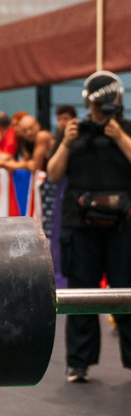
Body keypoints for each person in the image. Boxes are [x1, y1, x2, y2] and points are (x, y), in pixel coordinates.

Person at [47, 71, 131, 384]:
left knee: (126, 290)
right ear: (88, 104)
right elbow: (53, 173)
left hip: (123, 227)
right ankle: (78, 363)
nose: (102, 111)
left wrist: (118, 137)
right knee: (82, 292)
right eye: (97, 106)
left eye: (107, 105)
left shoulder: (126, 130)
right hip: (81, 226)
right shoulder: (73, 132)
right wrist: (67, 143)